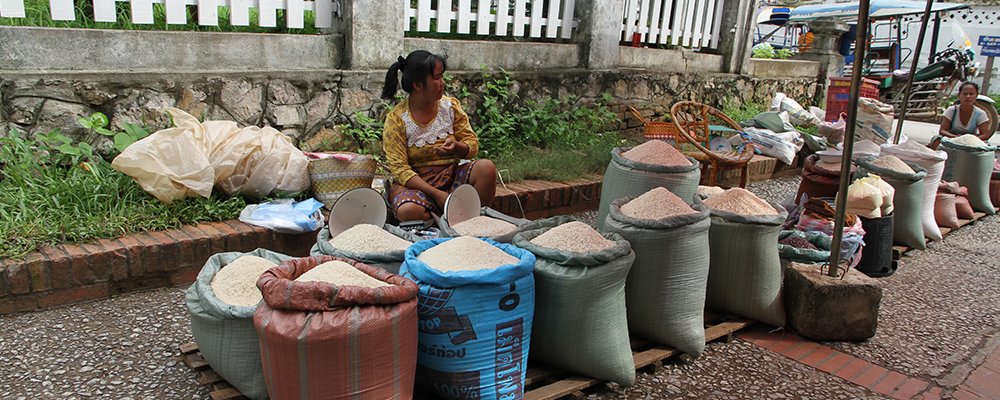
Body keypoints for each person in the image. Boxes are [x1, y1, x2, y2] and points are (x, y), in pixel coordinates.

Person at [380, 50, 497, 222]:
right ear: (418, 85)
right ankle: (449, 219)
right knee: (408, 211)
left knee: (486, 169)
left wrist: (458, 147)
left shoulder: (450, 107)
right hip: (417, 186)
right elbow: (400, 170)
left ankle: (474, 222)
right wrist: (437, 194)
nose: (442, 83)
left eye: (442, 77)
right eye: (436, 78)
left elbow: (472, 144)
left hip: (451, 178)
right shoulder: (397, 119)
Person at [931, 81, 992, 149]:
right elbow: (942, 130)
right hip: (952, 140)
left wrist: (969, 140)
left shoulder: (981, 114)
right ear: (959, 95)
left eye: (971, 94)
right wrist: (957, 138)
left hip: (971, 144)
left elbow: (985, 134)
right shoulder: (951, 110)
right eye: (965, 94)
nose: (968, 96)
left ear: (976, 96)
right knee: (936, 140)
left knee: (986, 146)